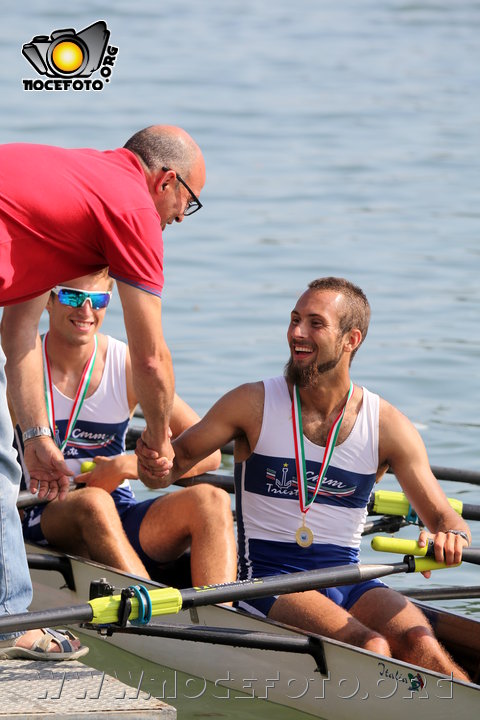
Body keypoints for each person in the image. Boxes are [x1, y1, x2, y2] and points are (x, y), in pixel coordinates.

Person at [142, 277, 472, 680]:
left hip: (348, 577)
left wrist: (451, 536)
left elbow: (443, 517)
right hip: (266, 579)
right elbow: (173, 466)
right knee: (370, 646)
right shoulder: (252, 403)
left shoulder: (387, 426)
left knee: (423, 647)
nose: (297, 332)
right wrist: (154, 457)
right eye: (295, 319)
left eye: (315, 323)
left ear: (351, 339)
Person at [0, 125, 204, 658]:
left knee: (8, 450)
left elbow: (17, 332)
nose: (181, 217)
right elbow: (152, 355)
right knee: (0, 467)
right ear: (165, 181)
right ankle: (8, 620)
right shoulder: (133, 209)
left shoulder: (72, 197)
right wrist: (157, 441)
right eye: (189, 201)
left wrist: (36, 434)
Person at [18, 269, 236, 586]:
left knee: (211, 501)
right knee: (94, 502)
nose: (86, 311)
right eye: (72, 296)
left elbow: (210, 454)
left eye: (98, 300)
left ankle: (219, 622)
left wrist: (128, 464)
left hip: (119, 512)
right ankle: (152, 617)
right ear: (48, 301)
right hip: (44, 514)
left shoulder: (126, 364)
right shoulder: (21, 367)